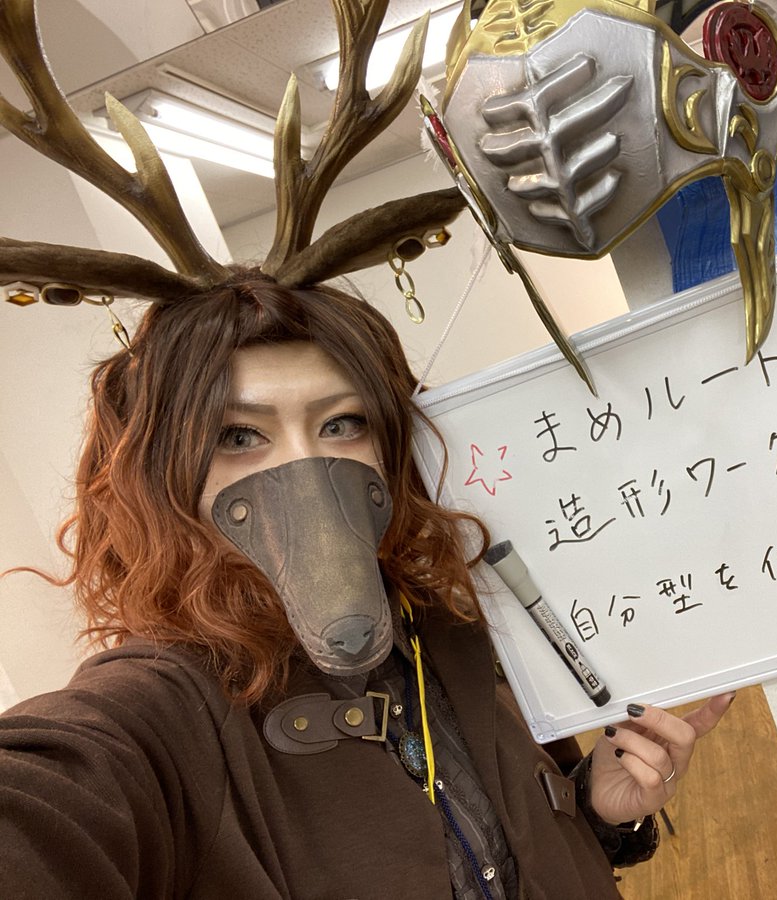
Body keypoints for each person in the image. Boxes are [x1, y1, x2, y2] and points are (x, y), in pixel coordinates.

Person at [0, 271, 733, 899]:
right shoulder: (163, 710)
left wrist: (598, 810)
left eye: (342, 423)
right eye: (239, 436)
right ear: (163, 477)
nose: (306, 470)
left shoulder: (454, 629)